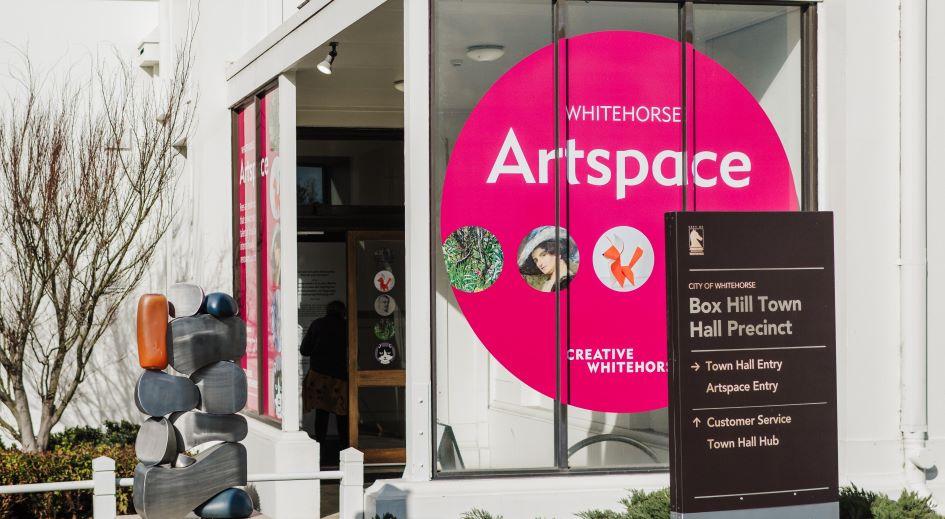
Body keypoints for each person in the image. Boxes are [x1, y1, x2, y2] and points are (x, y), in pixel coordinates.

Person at [299, 301, 349, 449]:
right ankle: (345, 447)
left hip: (319, 375)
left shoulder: (317, 324)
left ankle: (320, 446)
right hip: (340, 375)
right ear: (343, 312)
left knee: (322, 413)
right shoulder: (346, 326)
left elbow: (304, 350)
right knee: (342, 413)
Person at [518, 226, 578, 292]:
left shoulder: (566, 282)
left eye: (543, 255)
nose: (539, 264)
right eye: (536, 260)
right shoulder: (550, 283)